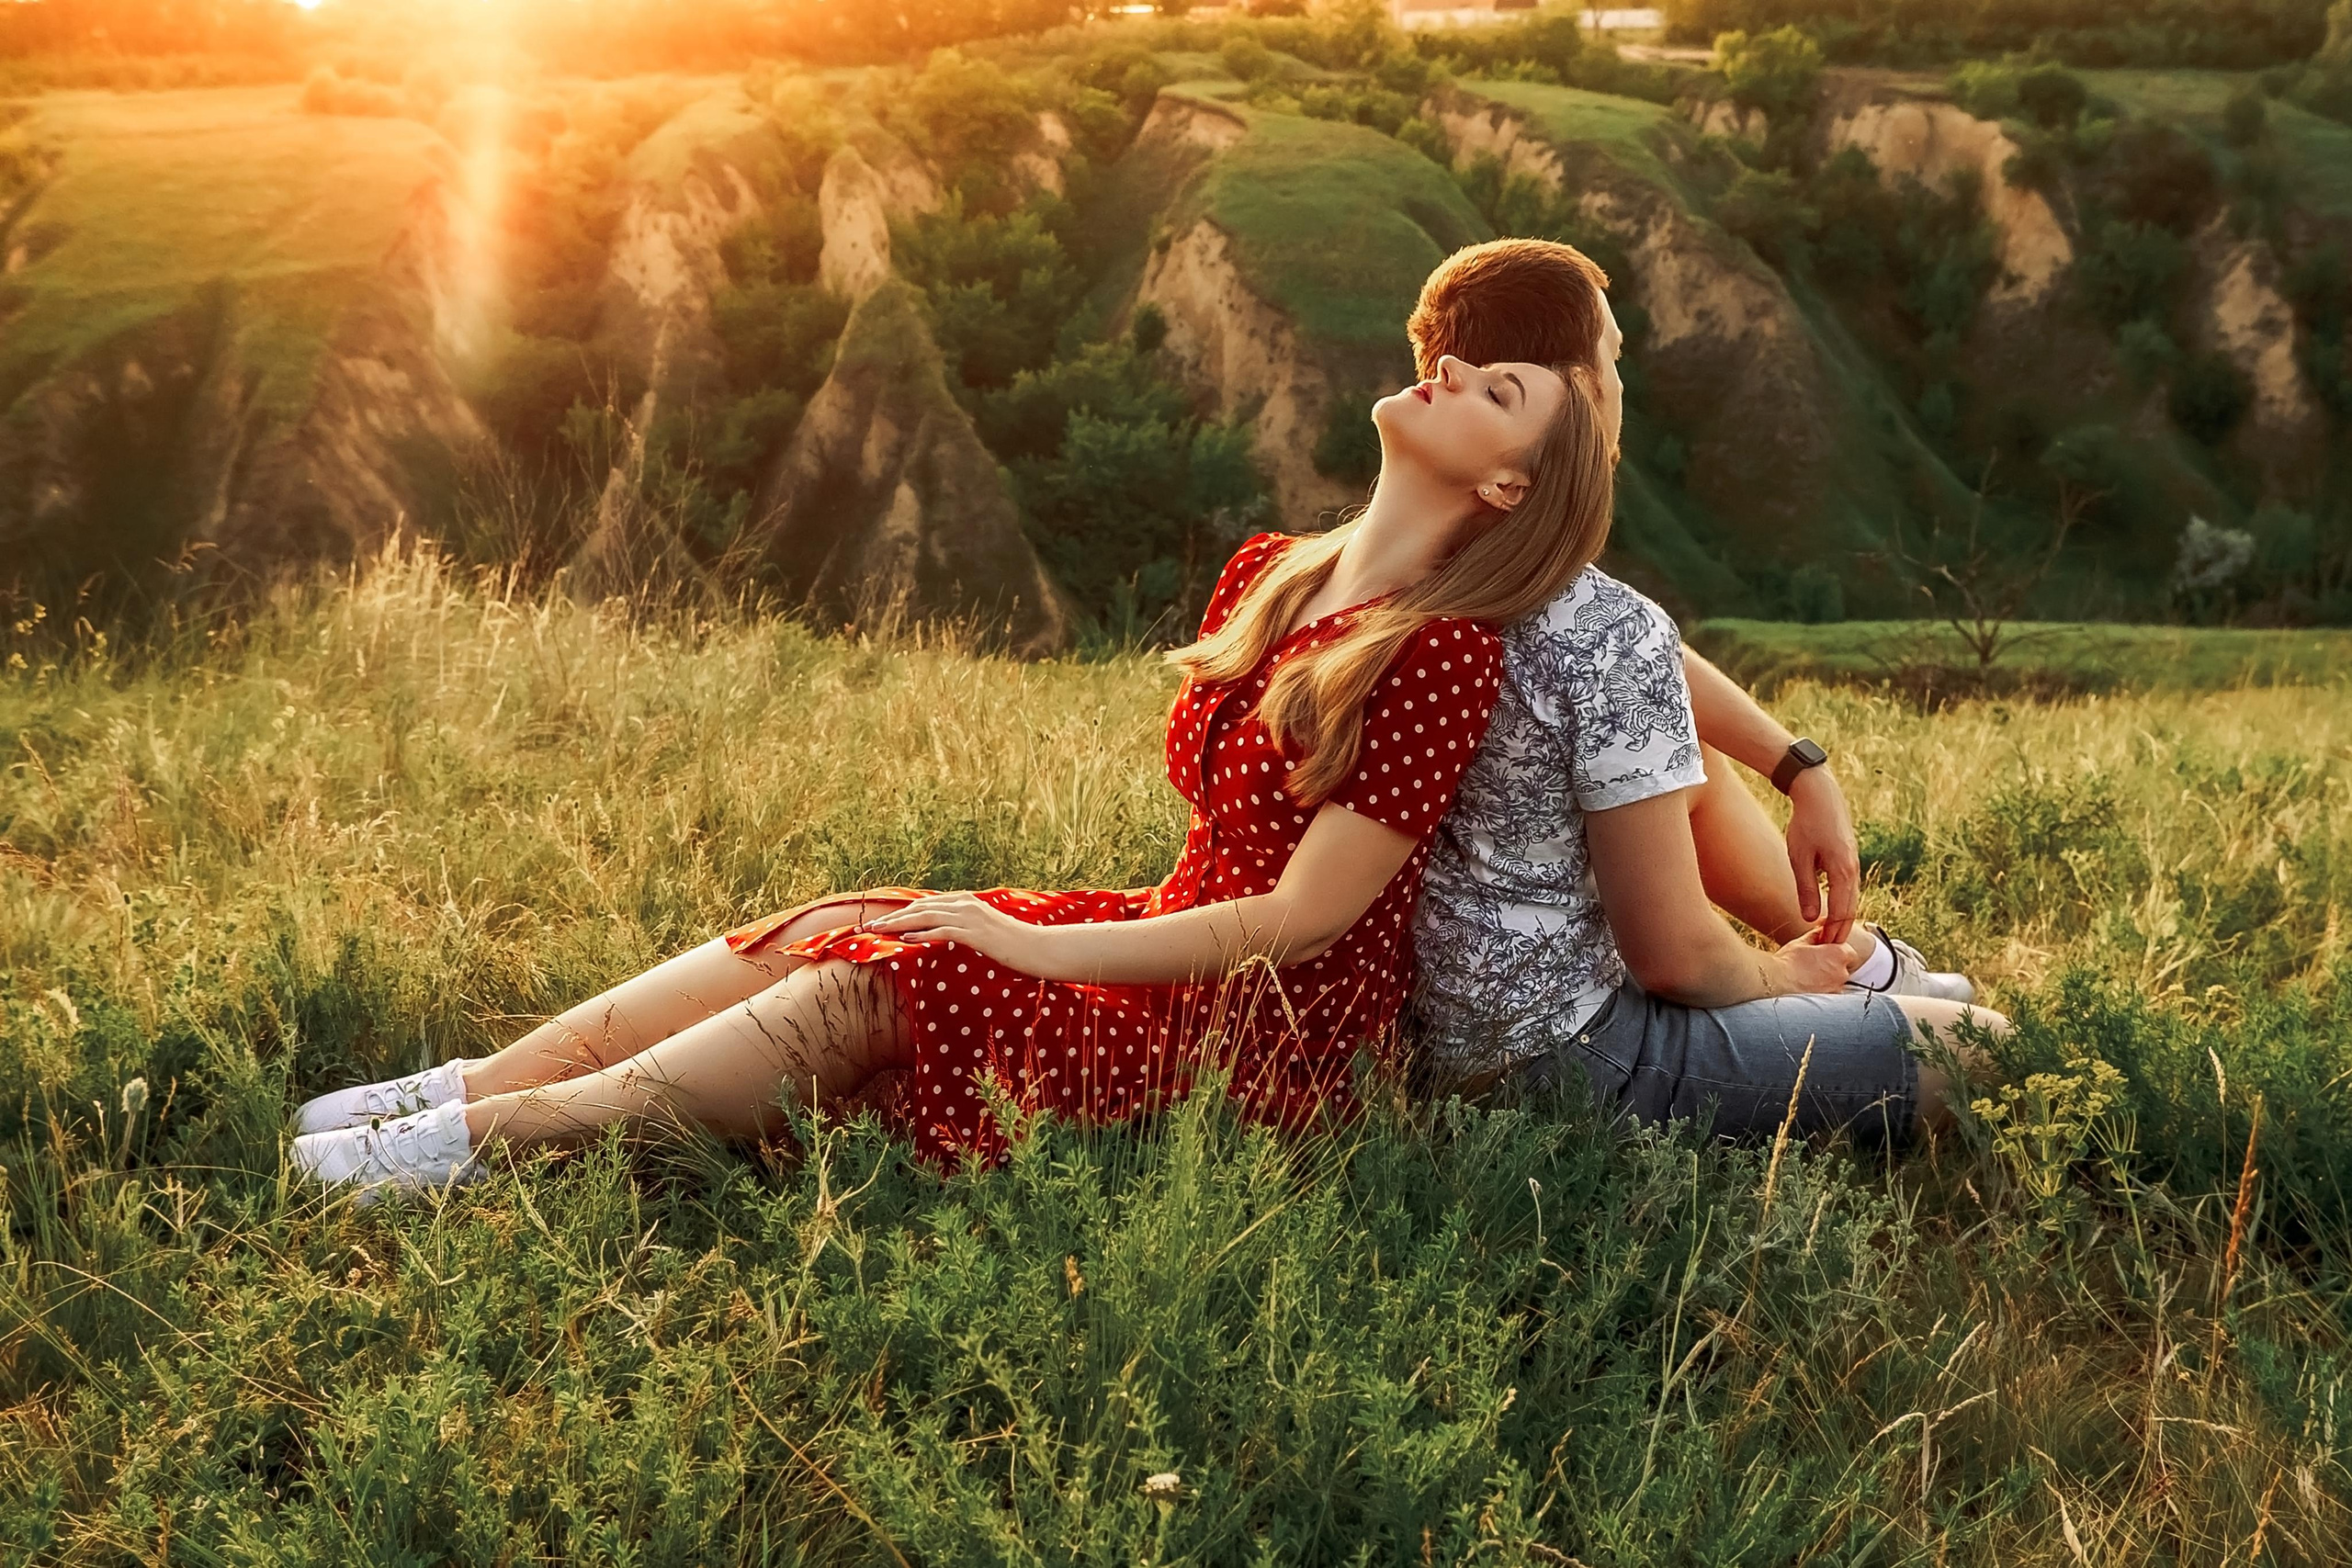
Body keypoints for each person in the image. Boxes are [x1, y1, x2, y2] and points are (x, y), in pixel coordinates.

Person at [290, 349, 1620, 1198]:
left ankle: (477, 1152)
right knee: (849, 918)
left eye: (1503, 390)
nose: (1451, 365)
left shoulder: (1441, 653)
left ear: (1508, 485)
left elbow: (1306, 918)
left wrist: (1036, 955)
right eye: (1464, 355)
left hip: (1267, 1031)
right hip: (1169, 934)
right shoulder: (1279, 569)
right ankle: (466, 1087)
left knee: (911, 970)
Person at [1407, 239, 2005, 1143]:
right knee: (1985, 1048)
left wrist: (1797, 766)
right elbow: (1676, 960)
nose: (1621, 385)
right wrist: (1775, 981)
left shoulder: (1422, 560)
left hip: (1441, 1024)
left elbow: (1649, 670)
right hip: (1569, 1058)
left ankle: (1860, 966)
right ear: (1569, 388)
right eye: (1610, 358)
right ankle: (1845, 977)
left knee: (1682, 760)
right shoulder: (1601, 628)